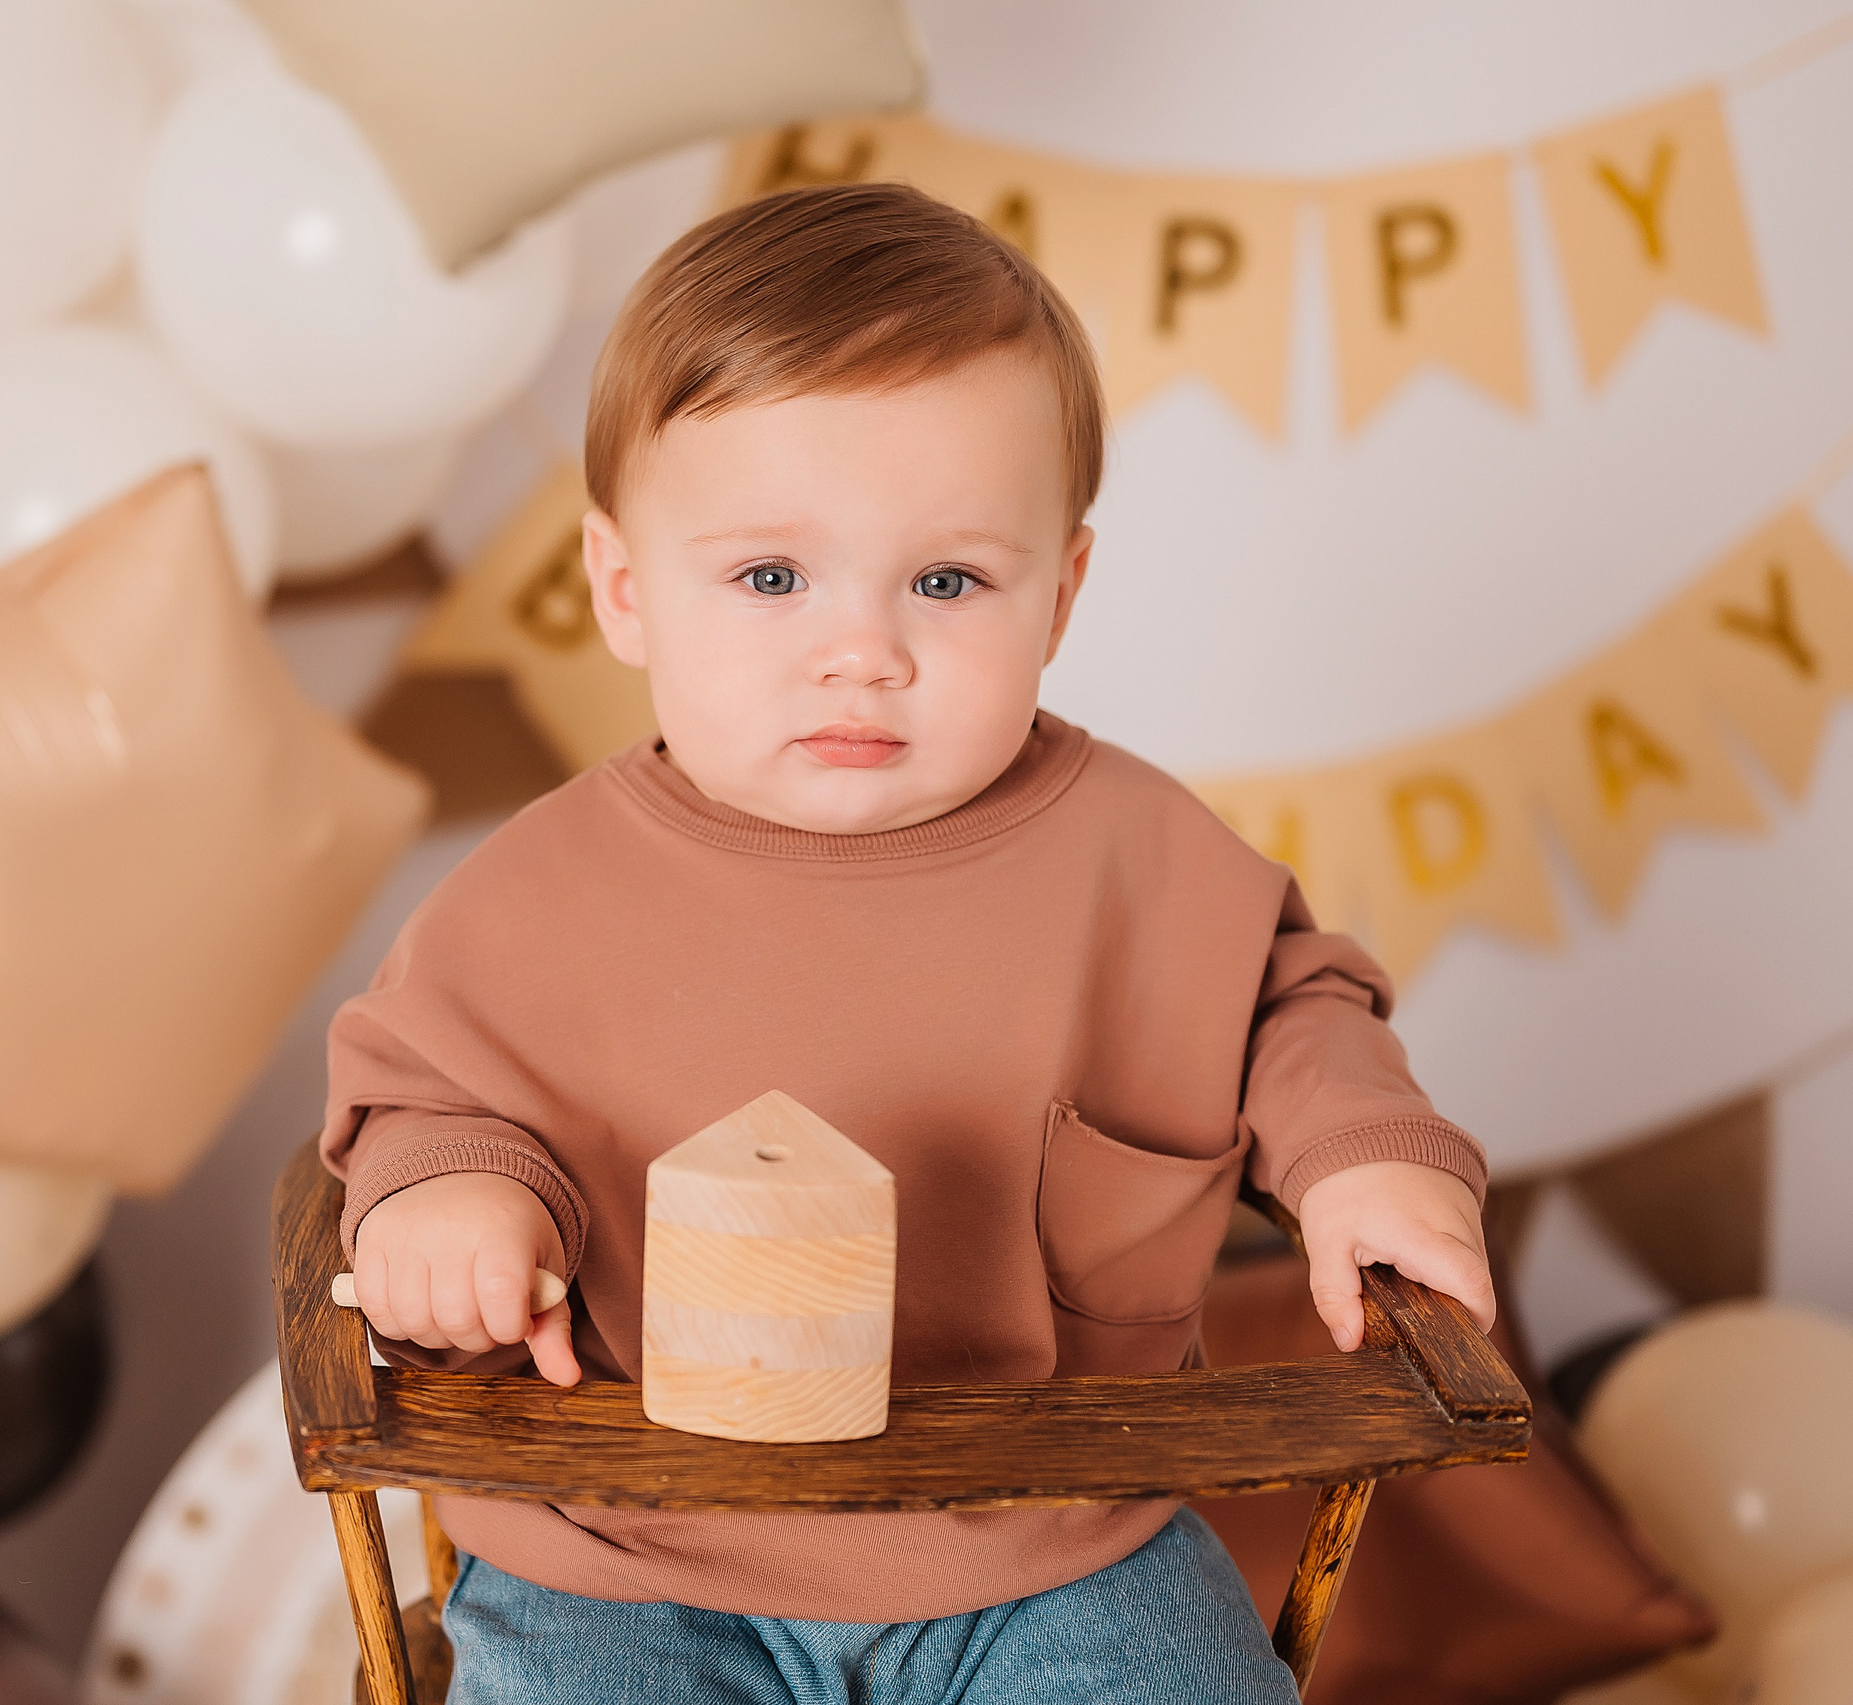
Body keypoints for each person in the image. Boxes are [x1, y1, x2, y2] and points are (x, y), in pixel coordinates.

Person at [320, 180, 1497, 1704]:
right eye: (771, 578)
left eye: (947, 581)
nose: (862, 651)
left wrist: (1363, 1152)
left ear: (1059, 594)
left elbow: (1291, 1003)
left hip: (1053, 1536)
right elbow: (420, 1090)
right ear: (625, 591)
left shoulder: (1135, 855)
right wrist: (457, 1200)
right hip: (631, 1551)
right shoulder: (535, 895)